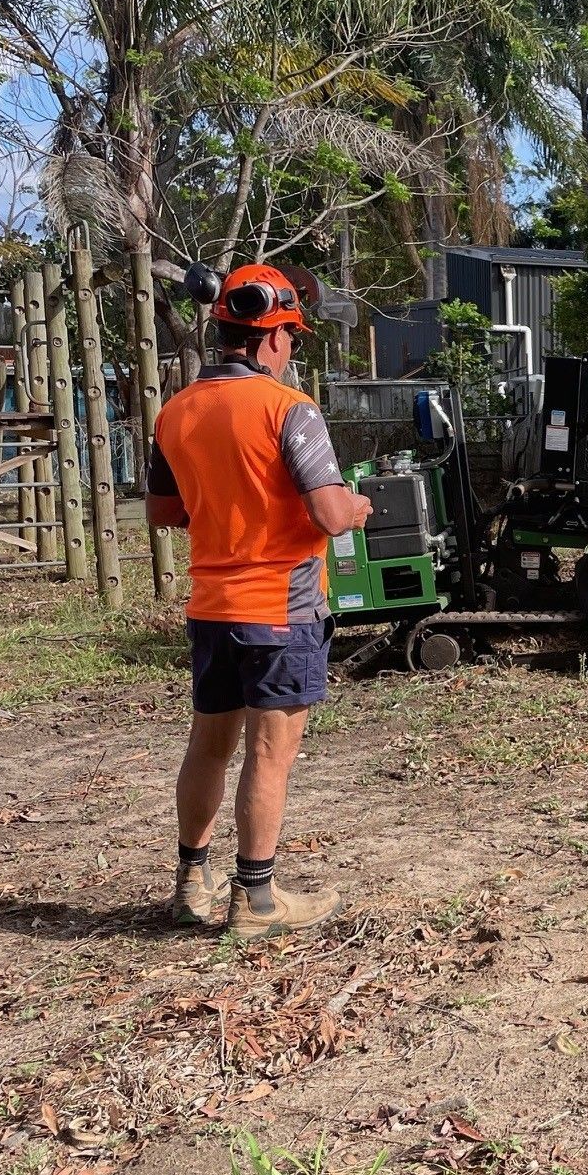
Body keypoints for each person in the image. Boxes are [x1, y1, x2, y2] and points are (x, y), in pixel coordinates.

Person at [146, 264, 372, 940]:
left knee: (210, 746)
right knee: (269, 756)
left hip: (212, 609)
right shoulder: (288, 410)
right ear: (271, 336)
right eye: (291, 339)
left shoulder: (176, 411)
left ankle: (192, 881)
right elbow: (330, 514)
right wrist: (358, 507)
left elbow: (163, 511)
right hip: (280, 610)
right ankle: (257, 898)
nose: (291, 352)